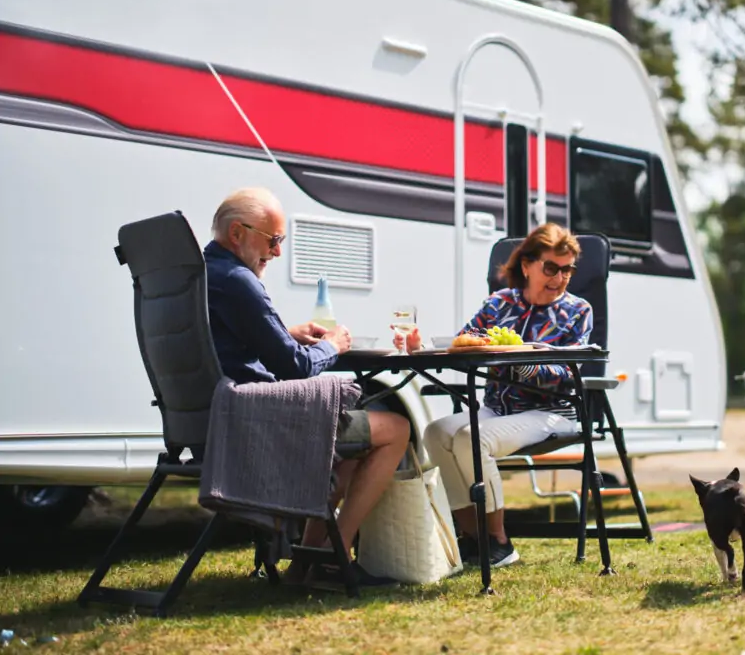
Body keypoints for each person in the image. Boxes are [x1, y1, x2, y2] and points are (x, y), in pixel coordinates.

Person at [204, 187, 410, 584]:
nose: (278, 252)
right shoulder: (238, 280)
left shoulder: (205, 273)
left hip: (217, 415)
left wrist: (287, 332)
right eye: (273, 240)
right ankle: (335, 559)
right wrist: (333, 345)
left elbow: (233, 340)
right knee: (395, 429)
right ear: (237, 233)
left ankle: (310, 561)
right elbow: (296, 367)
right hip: (254, 419)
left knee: (354, 444)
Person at [394, 223, 593, 568]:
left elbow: (569, 374)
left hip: (551, 412)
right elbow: (462, 344)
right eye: (551, 268)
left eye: (567, 270)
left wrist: (523, 364)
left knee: (473, 437)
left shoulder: (578, 311)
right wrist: (420, 348)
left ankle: (500, 540)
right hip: (498, 408)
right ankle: (474, 538)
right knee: (436, 433)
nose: (559, 278)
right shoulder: (499, 304)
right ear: (527, 265)